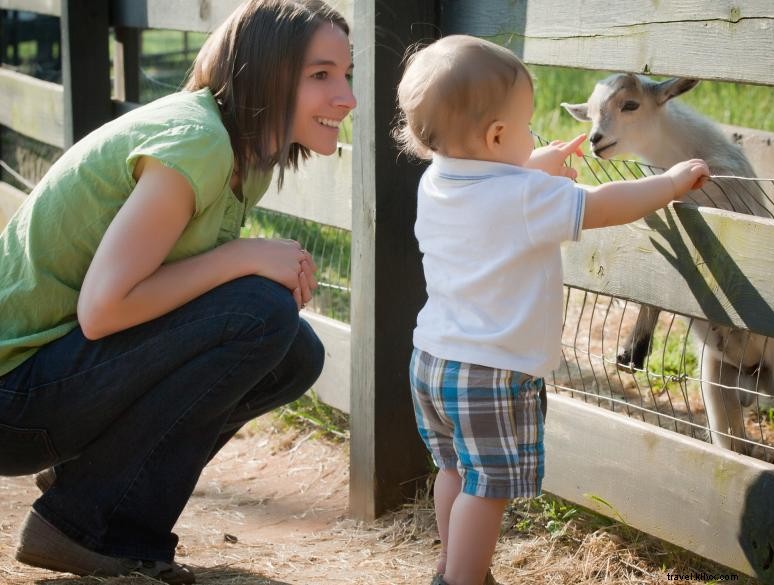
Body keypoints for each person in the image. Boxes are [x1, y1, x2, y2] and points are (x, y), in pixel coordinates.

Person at [0, 1, 355, 582]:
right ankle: (84, 523)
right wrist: (243, 256)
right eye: (320, 75)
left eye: (346, 75)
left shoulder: (245, 154)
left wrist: (248, 267)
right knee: (261, 312)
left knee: (293, 352)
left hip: (50, 382)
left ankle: (97, 501)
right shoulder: (199, 141)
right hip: (11, 397)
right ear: (264, 71)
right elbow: (103, 309)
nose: (346, 98)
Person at [395, 35, 709, 585]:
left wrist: (536, 162)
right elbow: (605, 207)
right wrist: (669, 182)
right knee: (486, 491)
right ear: (497, 136)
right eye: (526, 128)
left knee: (453, 469)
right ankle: (461, 579)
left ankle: (450, 563)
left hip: (432, 363)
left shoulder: (437, 180)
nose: (531, 137)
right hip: (491, 374)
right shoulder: (524, 198)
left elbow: (492, 178)